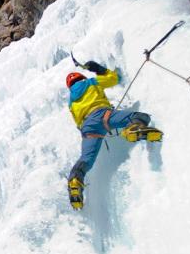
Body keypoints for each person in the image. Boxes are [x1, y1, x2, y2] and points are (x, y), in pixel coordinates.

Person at [66, 60, 162, 210]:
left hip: (88, 129)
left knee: (86, 160)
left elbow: (77, 123)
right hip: (103, 115)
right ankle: (133, 128)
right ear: (81, 77)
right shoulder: (91, 83)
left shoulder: (71, 101)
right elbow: (115, 78)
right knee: (140, 116)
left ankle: (75, 182)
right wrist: (100, 69)